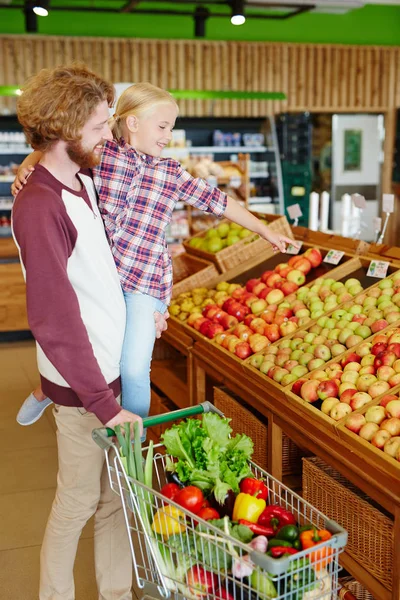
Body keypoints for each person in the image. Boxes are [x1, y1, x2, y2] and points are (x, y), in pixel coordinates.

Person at [14, 81, 295, 428]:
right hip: (105, 281)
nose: (169, 135)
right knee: (87, 348)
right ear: (132, 123)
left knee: (132, 368)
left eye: (172, 128)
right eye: (162, 126)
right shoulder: (102, 155)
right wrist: (27, 167)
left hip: (143, 288)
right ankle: (48, 389)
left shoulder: (171, 173)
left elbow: (220, 203)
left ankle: (133, 439)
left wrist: (264, 230)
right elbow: (52, 147)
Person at [12, 64, 147, 600]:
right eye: (97, 126)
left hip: (110, 370)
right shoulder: (42, 204)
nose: (106, 133)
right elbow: (53, 316)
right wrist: (102, 402)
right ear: (64, 129)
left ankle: (116, 593)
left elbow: (94, 277)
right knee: (76, 502)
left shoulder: (83, 179)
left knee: (114, 497)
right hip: (82, 386)